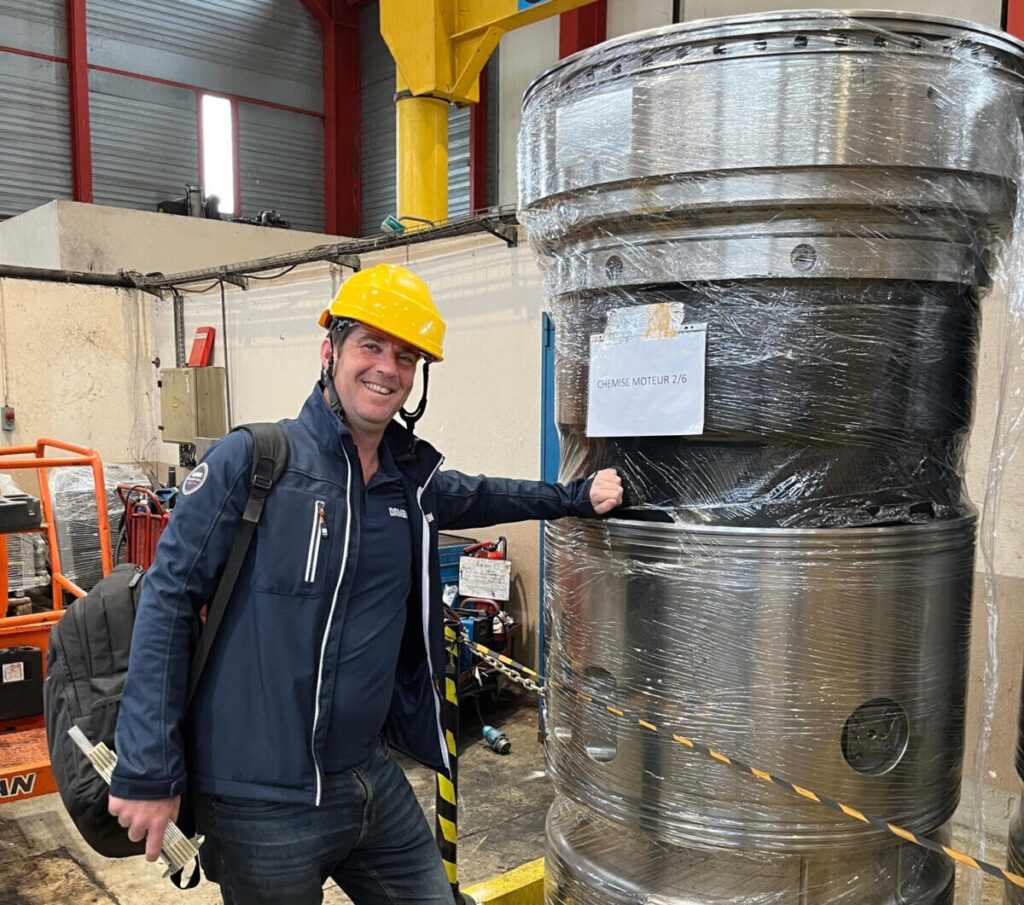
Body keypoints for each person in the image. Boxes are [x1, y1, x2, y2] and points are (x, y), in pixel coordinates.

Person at [108, 263, 623, 905]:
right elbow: (168, 602)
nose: (387, 369)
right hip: (259, 804)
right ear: (330, 352)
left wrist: (576, 495)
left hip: (368, 781)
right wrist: (148, 767)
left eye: (405, 357)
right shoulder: (254, 463)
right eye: (370, 346)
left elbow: (489, 493)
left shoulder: (410, 483)